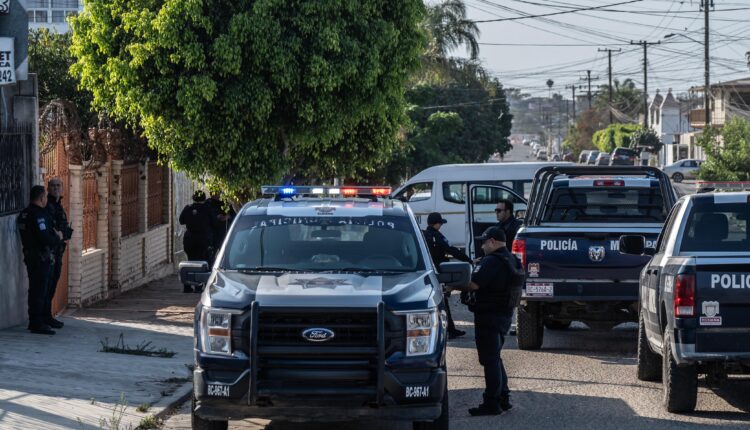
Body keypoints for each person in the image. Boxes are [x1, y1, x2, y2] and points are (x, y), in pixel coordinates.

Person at [452, 226, 523, 416]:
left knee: (489, 360)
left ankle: (492, 403)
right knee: (495, 357)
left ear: (492, 241)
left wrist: (451, 285)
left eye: (484, 242)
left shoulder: (492, 261)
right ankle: (503, 397)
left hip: (489, 316)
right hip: (504, 314)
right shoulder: (511, 259)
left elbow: (473, 283)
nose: (482, 246)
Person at [17, 185, 63, 335]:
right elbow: (44, 238)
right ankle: (37, 322)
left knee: (37, 289)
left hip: (31, 255)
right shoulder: (38, 215)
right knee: (39, 290)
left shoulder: (24, 213)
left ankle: (41, 319)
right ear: (42, 197)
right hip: (39, 257)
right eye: (44, 197)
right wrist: (58, 238)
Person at [423, 212, 472, 339]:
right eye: (440, 223)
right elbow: (452, 250)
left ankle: (449, 329)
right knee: (442, 300)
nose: (441, 226)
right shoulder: (437, 236)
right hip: (439, 272)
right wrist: (468, 260)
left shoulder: (422, 235)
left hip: (425, 272)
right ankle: (449, 330)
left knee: (438, 300)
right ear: (437, 224)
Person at [45, 177, 72, 329]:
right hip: (51, 253)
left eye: (58, 185)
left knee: (52, 284)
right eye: (53, 186)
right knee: (47, 285)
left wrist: (64, 233)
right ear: (48, 188)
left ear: (62, 188)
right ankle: (45, 316)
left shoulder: (58, 205)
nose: (56, 188)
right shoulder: (47, 205)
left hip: (58, 251)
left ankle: (47, 315)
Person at [179, 190, 215, 293]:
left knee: (191, 261)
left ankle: (187, 286)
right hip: (203, 239)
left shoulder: (188, 208)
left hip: (189, 238)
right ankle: (198, 286)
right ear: (204, 199)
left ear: (193, 198)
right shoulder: (207, 209)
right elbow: (215, 223)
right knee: (202, 262)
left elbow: (181, 221)